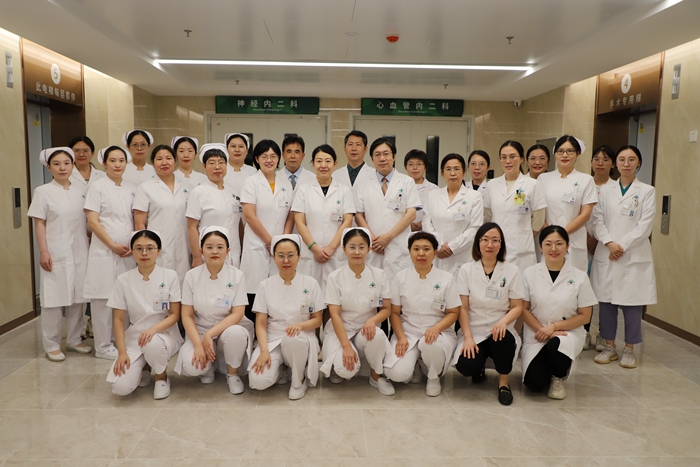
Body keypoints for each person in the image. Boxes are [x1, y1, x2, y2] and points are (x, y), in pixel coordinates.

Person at [591, 145, 656, 369]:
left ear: (639, 163)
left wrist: (622, 246)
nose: (626, 163)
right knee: (606, 302)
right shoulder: (605, 191)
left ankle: (629, 349)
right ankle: (609, 346)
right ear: (616, 163)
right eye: (621, 159)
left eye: (631, 159)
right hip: (607, 251)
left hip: (632, 254)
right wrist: (609, 244)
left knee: (632, 304)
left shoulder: (647, 191)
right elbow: (597, 220)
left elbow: (645, 225)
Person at [28, 147, 92, 361]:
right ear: (48, 167)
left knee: (77, 298)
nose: (62, 168)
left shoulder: (82, 189)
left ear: (73, 165)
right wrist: (43, 251)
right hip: (55, 251)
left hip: (80, 250)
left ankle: (74, 339)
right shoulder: (43, 191)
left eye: (66, 163)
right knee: (53, 299)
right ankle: (52, 344)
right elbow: (39, 223)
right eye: (56, 164)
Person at [521, 225, 597, 399]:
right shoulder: (529, 274)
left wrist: (554, 327)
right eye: (548, 244)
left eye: (559, 243)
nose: (553, 249)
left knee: (557, 344)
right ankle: (548, 366)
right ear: (540, 247)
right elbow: (523, 309)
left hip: (568, 333)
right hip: (537, 333)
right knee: (534, 384)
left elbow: (585, 316)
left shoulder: (579, 276)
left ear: (567, 246)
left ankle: (558, 376)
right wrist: (543, 330)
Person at [175, 226, 253, 394]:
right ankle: (207, 367)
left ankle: (232, 375)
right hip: (200, 329)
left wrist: (210, 335)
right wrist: (198, 344)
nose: (215, 251)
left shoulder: (237, 275)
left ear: (228, 251)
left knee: (236, 333)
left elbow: (238, 313)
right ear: (201, 250)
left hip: (228, 329)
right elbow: (186, 316)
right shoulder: (191, 276)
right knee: (192, 366)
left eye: (220, 247)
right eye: (209, 247)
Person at [453, 223, 523, 405]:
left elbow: (517, 306)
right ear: (478, 243)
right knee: (466, 366)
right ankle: (480, 367)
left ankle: (504, 383)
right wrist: (468, 338)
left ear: (501, 245)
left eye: (495, 240)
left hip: (500, 329)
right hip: (474, 330)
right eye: (485, 240)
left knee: (503, 338)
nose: (490, 244)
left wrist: (503, 322)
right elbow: (462, 308)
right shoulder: (466, 270)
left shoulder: (512, 271)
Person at [107, 230, 182, 399]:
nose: (144, 253)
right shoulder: (123, 280)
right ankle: (145, 367)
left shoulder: (170, 276)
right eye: (139, 248)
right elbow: (118, 319)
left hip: (164, 334)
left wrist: (153, 330)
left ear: (159, 251)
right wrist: (122, 353)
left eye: (150, 248)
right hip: (135, 337)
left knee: (152, 342)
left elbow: (175, 315)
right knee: (120, 388)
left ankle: (161, 377)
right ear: (132, 251)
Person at [383, 232, 460, 396]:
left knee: (430, 344)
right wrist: (401, 337)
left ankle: (433, 377)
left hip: (438, 332)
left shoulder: (447, 279)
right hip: (408, 331)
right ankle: (416, 365)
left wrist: (437, 328)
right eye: (416, 249)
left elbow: (454, 312)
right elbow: (394, 313)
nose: (421, 253)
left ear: (435, 252)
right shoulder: (400, 278)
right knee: (396, 374)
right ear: (409, 251)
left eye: (426, 249)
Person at [248, 235, 324, 400]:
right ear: (273, 257)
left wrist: (300, 326)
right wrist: (263, 351)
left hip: (301, 337)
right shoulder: (265, 285)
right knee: (258, 381)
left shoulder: (311, 283)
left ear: (299, 257)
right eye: (281, 256)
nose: (286, 260)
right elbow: (260, 323)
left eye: (291, 255)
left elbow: (318, 320)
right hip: (273, 338)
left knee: (293, 339)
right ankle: (282, 367)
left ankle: (298, 380)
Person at [320, 228, 394, 395]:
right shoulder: (335, 277)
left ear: (369, 249)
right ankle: (339, 363)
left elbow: (387, 309)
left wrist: (372, 321)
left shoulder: (379, 275)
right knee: (345, 371)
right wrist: (346, 346)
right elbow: (335, 315)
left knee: (377, 335)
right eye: (352, 247)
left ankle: (376, 376)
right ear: (344, 249)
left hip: (366, 329)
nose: (357, 252)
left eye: (362, 247)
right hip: (341, 329)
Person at [83, 146, 137, 360]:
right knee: (102, 300)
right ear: (104, 163)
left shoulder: (132, 188)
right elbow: (92, 221)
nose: (117, 164)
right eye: (112, 160)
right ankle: (103, 346)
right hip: (104, 252)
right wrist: (112, 245)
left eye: (121, 160)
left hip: (127, 253)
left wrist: (133, 246)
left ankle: (120, 341)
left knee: (125, 298)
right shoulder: (97, 187)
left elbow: (134, 219)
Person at [240, 140, 295, 323]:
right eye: (264, 156)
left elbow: (290, 216)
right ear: (257, 159)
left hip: (279, 247)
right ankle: (254, 333)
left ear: (279, 158)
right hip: (256, 245)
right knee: (254, 292)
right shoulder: (251, 182)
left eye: (273, 156)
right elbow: (249, 216)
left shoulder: (285, 183)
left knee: (277, 291)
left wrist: (282, 241)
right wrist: (270, 241)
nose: (269, 160)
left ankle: (273, 330)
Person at [355, 137, 422, 279]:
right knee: (372, 286)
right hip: (373, 246)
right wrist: (372, 239)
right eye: (377, 155)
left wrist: (388, 237)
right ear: (372, 159)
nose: (382, 158)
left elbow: (411, 214)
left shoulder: (407, 182)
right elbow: (359, 215)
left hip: (398, 246)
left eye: (386, 154)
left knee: (398, 286)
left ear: (394, 156)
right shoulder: (363, 183)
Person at [292, 144, 355, 289]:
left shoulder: (344, 191)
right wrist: (314, 248)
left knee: (335, 293)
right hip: (310, 253)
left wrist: (331, 248)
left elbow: (347, 221)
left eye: (328, 161)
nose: (323, 165)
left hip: (335, 253)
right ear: (313, 163)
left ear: (335, 164)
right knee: (309, 293)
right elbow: (299, 222)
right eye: (319, 161)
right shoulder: (303, 190)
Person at [484, 140, 547, 273]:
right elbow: (489, 215)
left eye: (512, 157)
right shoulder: (492, 185)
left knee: (522, 283)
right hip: (497, 246)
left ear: (522, 159)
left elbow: (538, 219)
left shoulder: (532, 184)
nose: (508, 161)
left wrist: (524, 233)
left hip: (522, 248)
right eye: (504, 157)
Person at [537, 136, 597, 276]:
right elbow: (537, 211)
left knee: (573, 280)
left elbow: (585, 214)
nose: (565, 155)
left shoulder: (586, 180)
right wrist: (551, 235)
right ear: (555, 153)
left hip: (574, 239)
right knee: (547, 279)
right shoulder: (543, 179)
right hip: (547, 238)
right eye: (560, 151)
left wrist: (561, 234)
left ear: (577, 153)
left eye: (570, 151)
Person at [134, 145, 190, 284]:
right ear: (153, 163)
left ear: (175, 162)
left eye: (168, 158)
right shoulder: (145, 187)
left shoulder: (187, 186)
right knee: (158, 284)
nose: (164, 162)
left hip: (184, 245)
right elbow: (139, 223)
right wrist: (145, 248)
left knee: (183, 285)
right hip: (157, 246)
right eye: (159, 159)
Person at [422, 153, 483, 278]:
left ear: (464, 172)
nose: (453, 173)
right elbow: (427, 223)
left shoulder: (474, 197)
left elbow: (474, 228)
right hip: (437, 254)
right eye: (448, 169)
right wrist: (439, 245)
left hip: (462, 256)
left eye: (457, 169)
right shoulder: (433, 195)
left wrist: (451, 247)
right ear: (442, 173)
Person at [186, 143, 242, 269]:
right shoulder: (198, 192)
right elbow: (192, 227)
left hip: (233, 252)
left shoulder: (233, 192)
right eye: (212, 163)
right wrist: (196, 257)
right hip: (209, 254)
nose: (217, 167)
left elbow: (238, 223)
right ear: (204, 166)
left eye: (221, 162)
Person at [586, 145, 617, 351]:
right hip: (581, 242)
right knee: (582, 291)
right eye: (596, 159)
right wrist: (587, 239)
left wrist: (601, 241)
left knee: (604, 293)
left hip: (606, 246)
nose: (600, 163)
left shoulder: (615, 188)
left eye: (605, 160)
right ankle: (584, 331)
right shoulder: (584, 183)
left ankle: (603, 335)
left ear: (612, 164)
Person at [404, 149, 438, 231]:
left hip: (427, 231)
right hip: (404, 230)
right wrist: (408, 223)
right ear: (406, 167)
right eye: (411, 164)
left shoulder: (434, 189)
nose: (415, 168)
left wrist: (424, 222)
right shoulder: (399, 187)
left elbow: (438, 212)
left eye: (419, 164)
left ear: (425, 166)